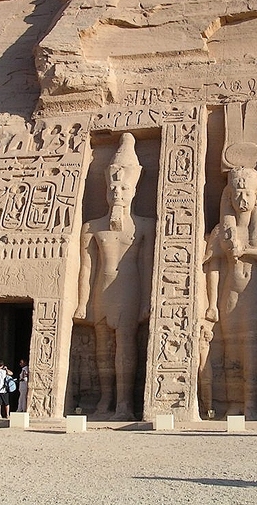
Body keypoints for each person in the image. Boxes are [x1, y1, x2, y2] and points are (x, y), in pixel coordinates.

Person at [74, 133, 155, 420]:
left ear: (133, 189)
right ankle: (105, 401)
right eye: (113, 187)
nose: (117, 192)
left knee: (125, 344)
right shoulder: (92, 227)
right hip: (101, 290)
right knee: (102, 348)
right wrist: (82, 302)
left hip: (129, 289)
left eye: (123, 186)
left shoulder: (145, 226)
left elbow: (147, 267)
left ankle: (124, 404)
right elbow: (86, 268)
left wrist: (147, 300)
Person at [204, 167, 257, 419]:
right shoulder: (220, 231)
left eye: (247, 194)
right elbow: (213, 265)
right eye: (237, 194)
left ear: (256, 197)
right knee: (230, 349)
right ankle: (233, 404)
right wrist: (211, 302)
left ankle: (250, 406)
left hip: (255, 293)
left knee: (252, 349)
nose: (242, 200)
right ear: (229, 197)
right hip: (230, 294)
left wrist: (247, 252)